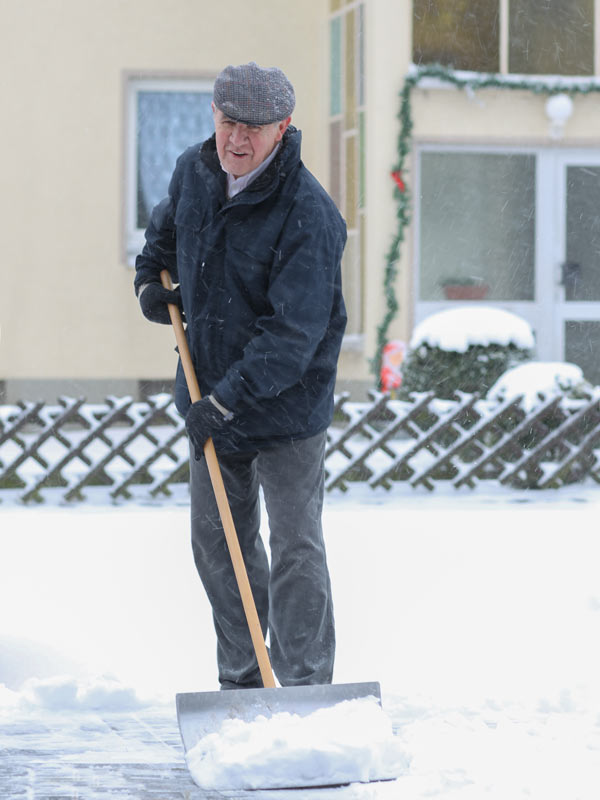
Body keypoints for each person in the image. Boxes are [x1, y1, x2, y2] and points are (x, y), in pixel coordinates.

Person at [134, 62, 347, 690]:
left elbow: (293, 335)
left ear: (284, 127)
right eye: (229, 122)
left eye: (254, 127)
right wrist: (150, 279)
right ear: (213, 116)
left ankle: (306, 687)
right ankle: (245, 682)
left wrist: (226, 403)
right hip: (208, 394)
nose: (237, 140)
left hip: (286, 407)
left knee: (295, 548)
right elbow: (162, 236)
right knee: (218, 545)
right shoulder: (193, 173)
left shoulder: (309, 213)